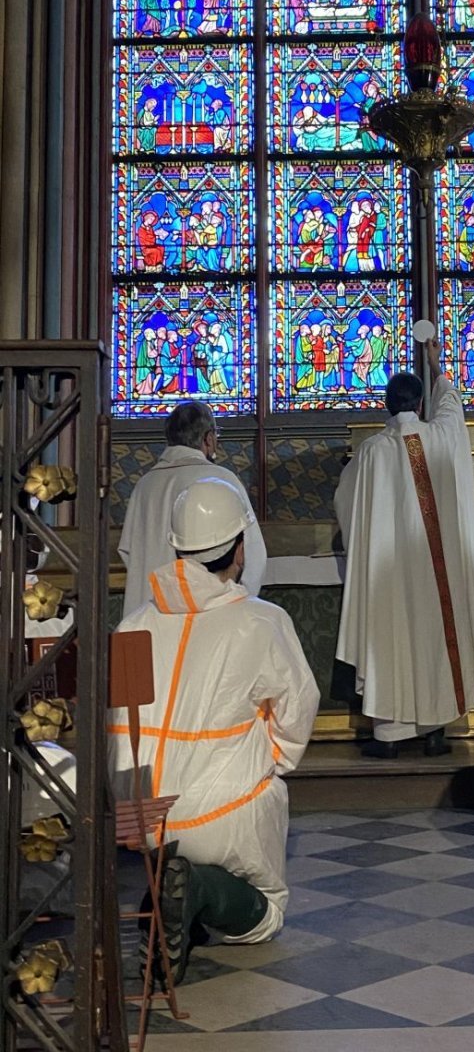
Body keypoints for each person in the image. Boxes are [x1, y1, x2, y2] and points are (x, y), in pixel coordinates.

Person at [108, 478, 319, 983]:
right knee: (266, 914)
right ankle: (200, 890)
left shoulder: (133, 623)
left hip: (141, 817)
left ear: (176, 549)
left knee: (178, 840)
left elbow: (123, 725)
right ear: (239, 549)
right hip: (225, 809)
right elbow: (297, 711)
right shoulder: (260, 621)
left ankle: (170, 890)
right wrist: (270, 761)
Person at [334, 339, 474, 758]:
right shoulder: (441, 436)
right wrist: (437, 365)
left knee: (392, 634)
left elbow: (347, 507)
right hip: (437, 570)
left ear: (385, 404)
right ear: (420, 404)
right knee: (434, 634)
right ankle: (435, 731)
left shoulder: (372, 454)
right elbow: (452, 405)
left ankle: (390, 736)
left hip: (388, 572)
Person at [118, 401, 267, 617]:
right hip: (210, 615)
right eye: (216, 434)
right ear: (208, 438)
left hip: (150, 614)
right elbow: (253, 556)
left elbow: (128, 553)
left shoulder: (144, 485)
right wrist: (240, 607)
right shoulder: (222, 479)